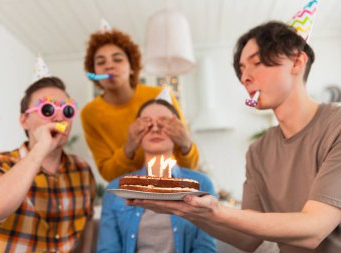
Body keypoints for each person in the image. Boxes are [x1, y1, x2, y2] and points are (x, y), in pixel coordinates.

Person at [128, 21, 341, 253]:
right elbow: (247, 240)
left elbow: (314, 229)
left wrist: (218, 211)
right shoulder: (259, 149)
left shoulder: (336, 126)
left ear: (297, 62)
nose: (245, 77)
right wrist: (187, 210)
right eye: (241, 69)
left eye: (257, 63)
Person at [0, 77, 96, 252]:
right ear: (24, 120)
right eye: (48, 109)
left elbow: (87, 222)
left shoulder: (82, 170)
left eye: (67, 110)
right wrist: (41, 147)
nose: (59, 118)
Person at [97, 99, 216, 253]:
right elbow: (108, 249)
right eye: (146, 123)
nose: (155, 128)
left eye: (164, 123)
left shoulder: (201, 185)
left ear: (179, 130)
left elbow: (205, 248)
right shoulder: (115, 190)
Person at [80, 28, 199, 182]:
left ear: (132, 67)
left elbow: (189, 167)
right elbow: (109, 175)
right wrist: (129, 146)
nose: (109, 66)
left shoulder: (160, 96)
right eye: (101, 62)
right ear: (94, 72)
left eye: (117, 59)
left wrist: (185, 145)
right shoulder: (90, 113)